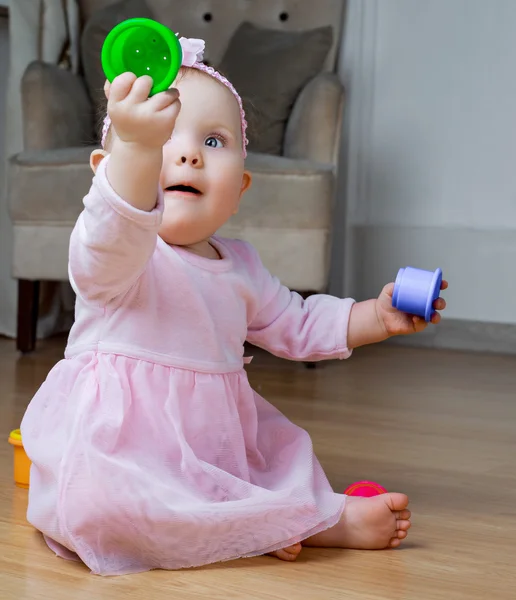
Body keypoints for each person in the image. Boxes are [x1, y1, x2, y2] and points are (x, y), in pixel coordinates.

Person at [20, 37, 447, 576]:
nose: (188, 153)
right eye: (164, 138)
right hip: (123, 447)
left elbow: (296, 321)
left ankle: (301, 518)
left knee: (279, 463)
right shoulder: (123, 254)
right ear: (106, 169)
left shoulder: (241, 266)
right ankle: (262, 525)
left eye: (214, 141)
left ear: (240, 187)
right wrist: (136, 147)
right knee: (99, 505)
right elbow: (113, 228)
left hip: (213, 442)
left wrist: (374, 317)